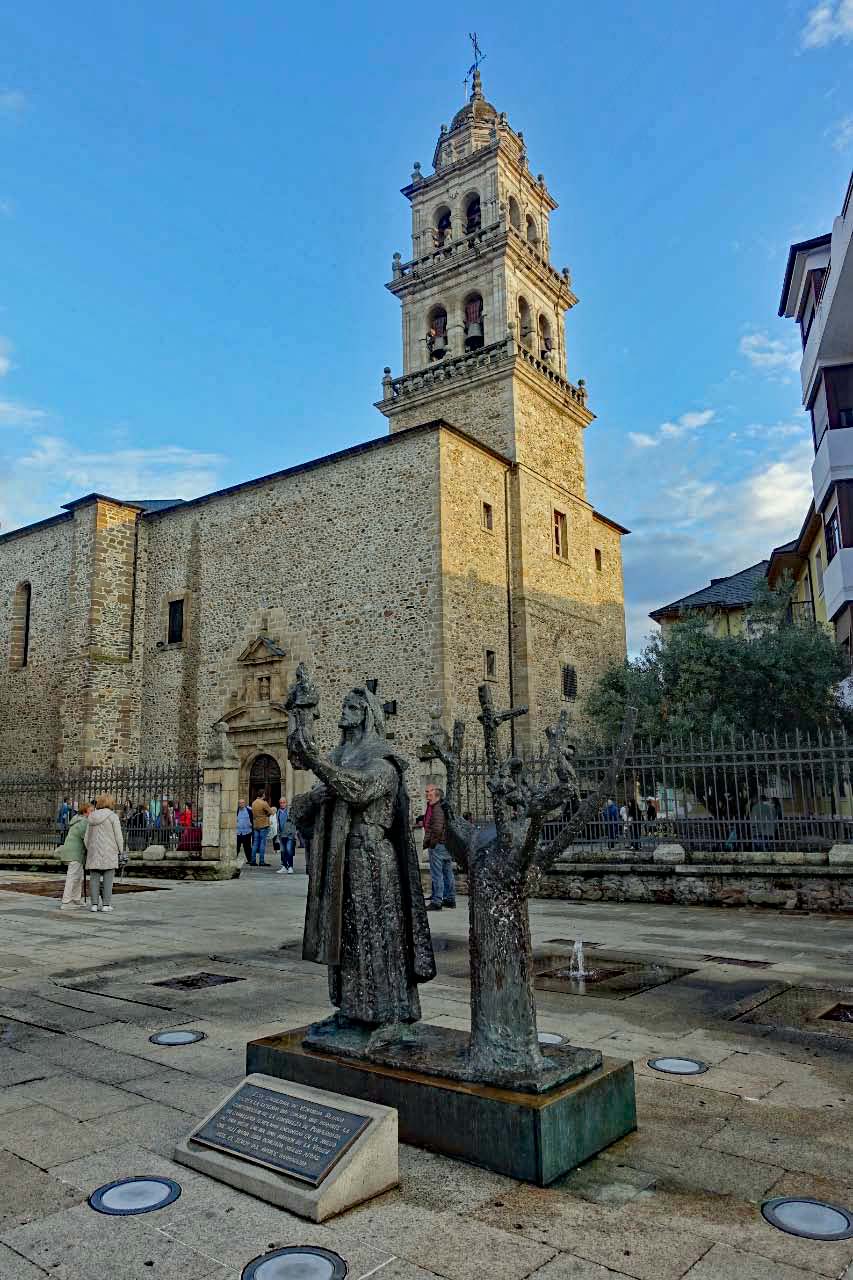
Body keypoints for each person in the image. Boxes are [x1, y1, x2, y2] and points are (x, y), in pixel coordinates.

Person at [287, 682, 435, 1045]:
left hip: (372, 861)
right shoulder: (338, 760)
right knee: (346, 937)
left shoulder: (384, 762)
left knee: (375, 934)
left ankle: (388, 1013)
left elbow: (358, 790)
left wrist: (316, 764)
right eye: (344, 706)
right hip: (340, 861)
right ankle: (351, 1010)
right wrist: (313, 795)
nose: (343, 712)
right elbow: (302, 813)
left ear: (367, 715)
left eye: (352, 708)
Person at [84, 794, 124, 913]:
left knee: (94, 879)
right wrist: (121, 850)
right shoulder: (112, 816)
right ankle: (106, 904)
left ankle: (94, 905)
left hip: (94, 851)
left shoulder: (91, 817)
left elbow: (86, 837)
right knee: (108, 879)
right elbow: (118, 836)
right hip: (109, 851)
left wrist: (90, 848)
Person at [423, 783, 455, 911]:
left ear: (436, 794)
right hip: (446, 844)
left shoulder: (437, 808)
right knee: (447, 872)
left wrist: (432, 843)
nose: (427, 796)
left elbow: (437, 828)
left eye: (429, 793)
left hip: (438, 845)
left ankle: (437, 901)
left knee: (437, 874)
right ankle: (450, 898)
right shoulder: (442, 806)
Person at [59, 802, 92, 909]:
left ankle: (76, 898)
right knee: (72, 877)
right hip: (75, 852)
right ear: (85, 812)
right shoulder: (84, 822)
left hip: (73, 851)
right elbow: (85, 838)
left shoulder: (77, 819)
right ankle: (66, 901)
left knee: (78, 876)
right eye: (91, 811)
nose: (93, 813)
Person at [250, 791, 274, 866]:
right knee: (262, 843)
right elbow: (271, 812)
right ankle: (261, 861)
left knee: (255, 843)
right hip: (263, 824)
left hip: (256, 824)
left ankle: (253, 860)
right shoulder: (264, 803)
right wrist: (266, 815)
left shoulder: (253, 803)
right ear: (263, 795)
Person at [276, 797, 297, 874]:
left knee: (289, 851)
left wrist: (293, 833)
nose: (282, 804)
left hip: (289, 835)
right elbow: (277, 823)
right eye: (281, 803)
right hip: (281, 835)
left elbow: (294, 823)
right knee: (283, 851)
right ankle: (284, 866)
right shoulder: (278, 812)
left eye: (283, 802)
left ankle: (290, 866)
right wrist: (278, 835)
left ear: (286, 803)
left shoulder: (290, 812)